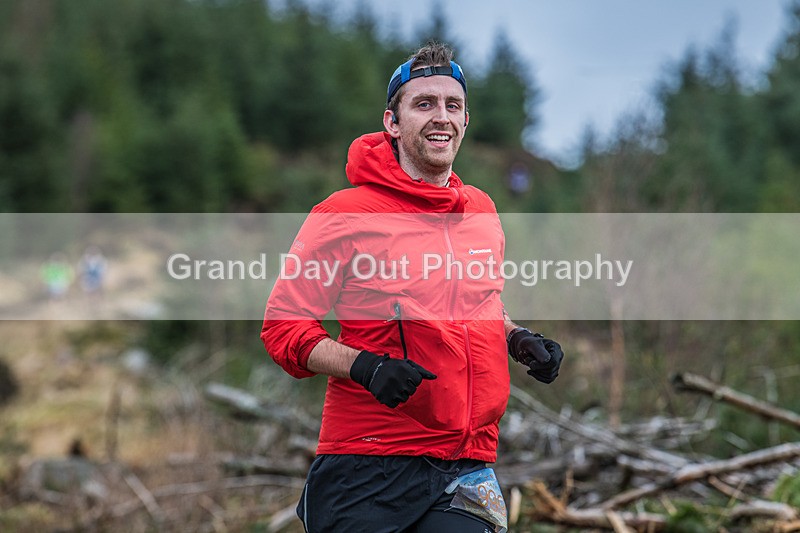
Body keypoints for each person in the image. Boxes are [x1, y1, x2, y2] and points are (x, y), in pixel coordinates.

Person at [261, 42, 564, 533]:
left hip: (467, 462)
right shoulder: (343, 215)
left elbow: (482, 303)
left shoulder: (482, 212)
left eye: (452, 105)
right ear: (392, 122)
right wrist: (365, 366)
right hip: (367, 464)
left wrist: (517, 338)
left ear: (466, 120)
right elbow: (282, 329)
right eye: (423, 104)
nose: (440, 116)